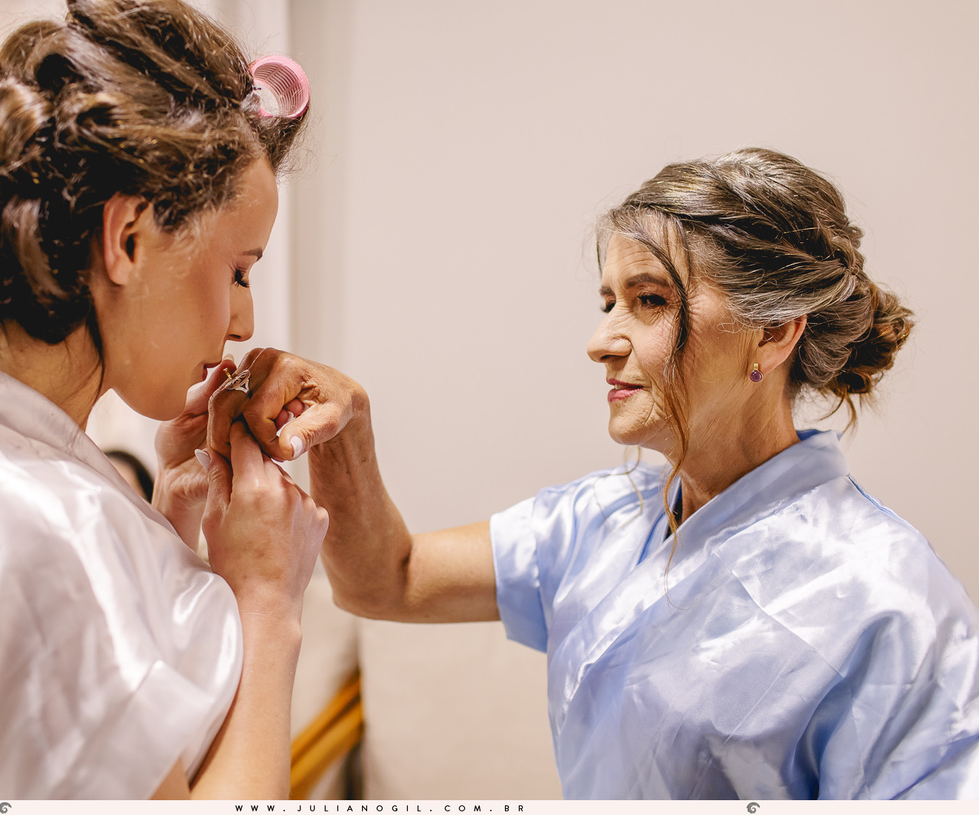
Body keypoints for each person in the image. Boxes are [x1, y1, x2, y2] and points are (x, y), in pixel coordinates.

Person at [209, 148, 979, 799]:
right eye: (608, 300)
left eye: (649, 301)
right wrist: (348, 425)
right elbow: (388, 578)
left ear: (773, 330)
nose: (601, 340)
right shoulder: (598, 521)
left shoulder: (891, 603)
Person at [0, 0, 326, 800]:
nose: (245, 321)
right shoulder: (39, 540)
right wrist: (268, 602)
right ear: (128, 237)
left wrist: (163, 531)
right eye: (237, 270)